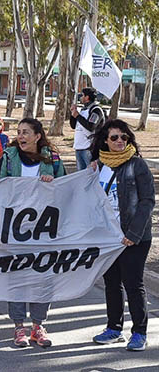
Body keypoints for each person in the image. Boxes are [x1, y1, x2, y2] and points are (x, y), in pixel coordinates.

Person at [0, 118, 65, 348]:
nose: (21, 136)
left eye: (26, 133)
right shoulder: (8, 157)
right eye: (19, 132)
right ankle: (18, 327)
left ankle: (38, 326)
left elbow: (65, 189)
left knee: (42, 278)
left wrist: (51, 183)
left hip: (43, 231)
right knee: (17, 277)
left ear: (37, 136)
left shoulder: (52, 159)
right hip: (14, 230)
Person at [90, 119, 154, 351]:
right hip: (108, 237)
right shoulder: (98, 167)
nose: (119, 141)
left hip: (134, 237)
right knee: (112, 283)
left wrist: (133, 233)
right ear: (105, 141)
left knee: (133, 283)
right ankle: (114, 328)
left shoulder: (137, 165)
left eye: (123, 137)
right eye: (114, 138)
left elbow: (147, 201)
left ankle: (139, 333)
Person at [70, 87, 105, 170]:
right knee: (81, 176)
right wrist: (73, 114)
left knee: (91, 173)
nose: (80, 97)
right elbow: (73, 126)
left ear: (87, 97)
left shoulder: (96, 110)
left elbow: (91, 126)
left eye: (82, 95)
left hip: (89, 149)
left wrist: (78, 116)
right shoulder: (83, 110)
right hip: (79, 147)